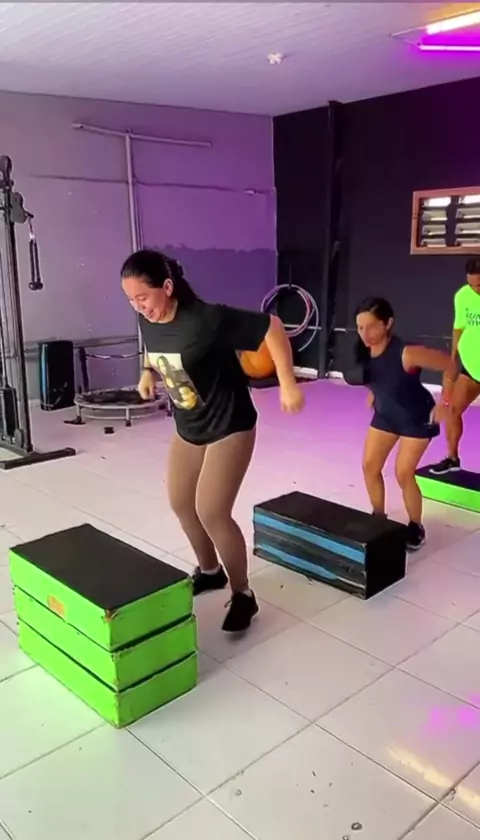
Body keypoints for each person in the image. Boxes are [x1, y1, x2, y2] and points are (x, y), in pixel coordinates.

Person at [121, 249, 304, 632]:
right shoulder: (148, 318)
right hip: (190, 425)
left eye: (143, 297)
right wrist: (146, 372)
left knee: (212, 511)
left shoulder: (206, 319)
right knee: (181, 502)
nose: (138, 307)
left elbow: (271, 326)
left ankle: (243, 595)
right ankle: (210, 571)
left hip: (230, 423)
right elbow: (152, 344)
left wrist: (287, 382)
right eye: (131, 300)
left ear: (167, 287)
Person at [347, 297, 455, 551]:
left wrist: (445, 402)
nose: (365, 334)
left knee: (403, 473)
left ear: (388, 324)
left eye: (372, 326)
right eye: (360, 327)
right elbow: (378, 376)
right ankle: (378, 518)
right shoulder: (364, 350)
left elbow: (450, 364)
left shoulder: (407, 352)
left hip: (416, 418)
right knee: (370, 467)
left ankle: (416, 526)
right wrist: (375, 393)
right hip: (386, 415)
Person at [429, 258, 480, 475]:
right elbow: (459, 328)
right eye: (472, 285)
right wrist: (452, 360)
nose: (475, 289)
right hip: (471, 366)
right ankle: (452, 458)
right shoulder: (462, 296)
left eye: (479, 285)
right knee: (452, 410)